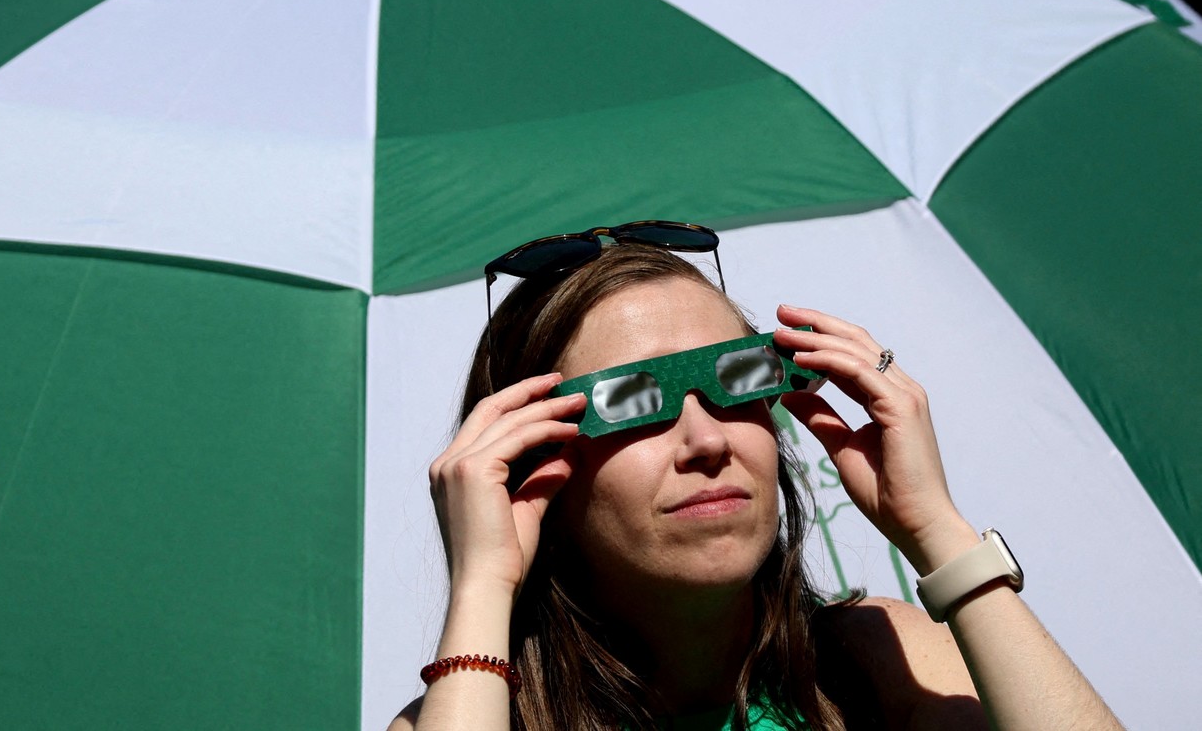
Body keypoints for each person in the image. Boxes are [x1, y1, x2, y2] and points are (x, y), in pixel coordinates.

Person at [390, 231, 1123, 731]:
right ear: (528, 466)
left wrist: (937, 530)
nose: (707, 440)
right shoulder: (467, 710)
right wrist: (483, 583)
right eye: (632, 401)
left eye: (737, 377)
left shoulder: (880, 665)